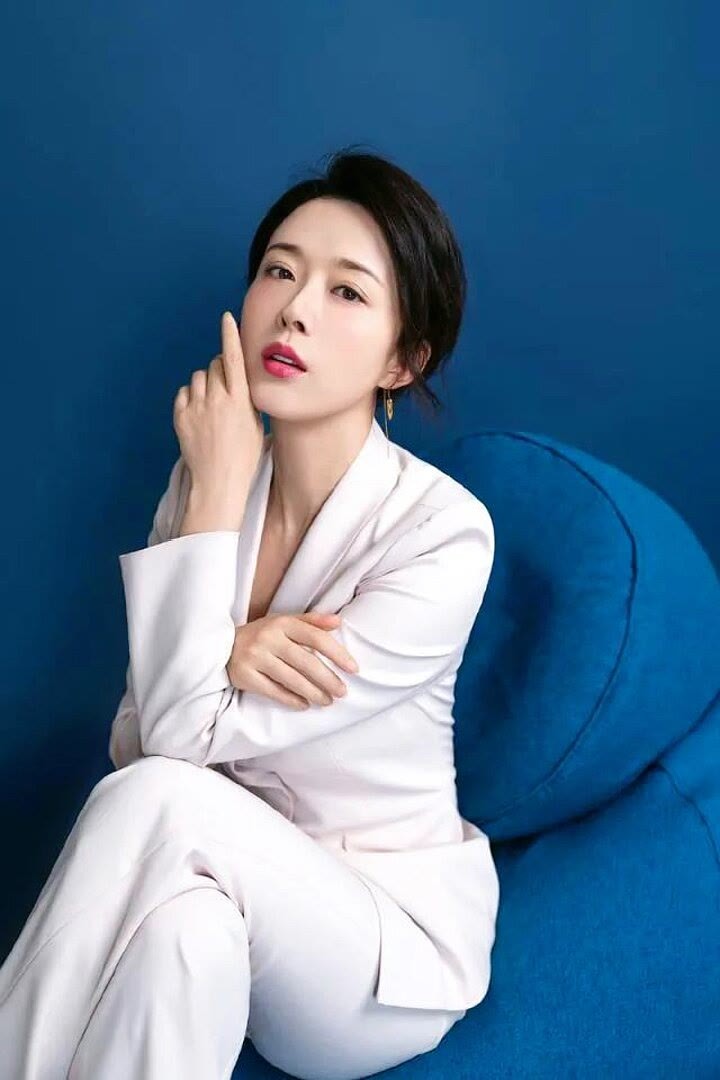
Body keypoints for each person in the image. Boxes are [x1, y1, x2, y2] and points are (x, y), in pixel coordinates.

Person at [0, 146, 499, 1079]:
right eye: (279, 270)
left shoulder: (443, 534)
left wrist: (212, 649)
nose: (295, 308)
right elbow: (135, 733)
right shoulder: (211, 478)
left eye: (346, 292)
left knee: (157, 799)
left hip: (374, 947)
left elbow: (165, 754)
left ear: (404, 359)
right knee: (181, 940)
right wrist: (221, 565)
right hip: (212, 891)